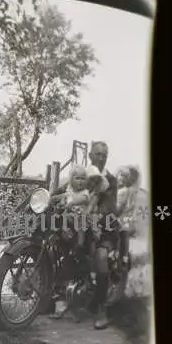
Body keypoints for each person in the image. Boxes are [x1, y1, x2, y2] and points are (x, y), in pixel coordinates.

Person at [50, 141, 119, 329]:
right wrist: (50, 198)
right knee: (61, 242)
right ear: (90, 155)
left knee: (101, 257)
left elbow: (110, 205)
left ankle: (101, 309)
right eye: (98, 154)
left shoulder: (110, 180)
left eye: (105, 154)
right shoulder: (84, 174)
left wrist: (96, 216)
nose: (101, 157)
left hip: (104, 228)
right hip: (83, 224)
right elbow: (65, 189)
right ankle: (59, 296)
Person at [116, 165, 140, 265]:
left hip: (121, 216)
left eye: (124, 177)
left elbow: (120, 207)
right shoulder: (125, 190)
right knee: (123, 236)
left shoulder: (123, 191)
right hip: (124, 216)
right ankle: (123, 256)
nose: (121, 178)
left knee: (120, 235)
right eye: (120, 176)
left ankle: (120, 256)